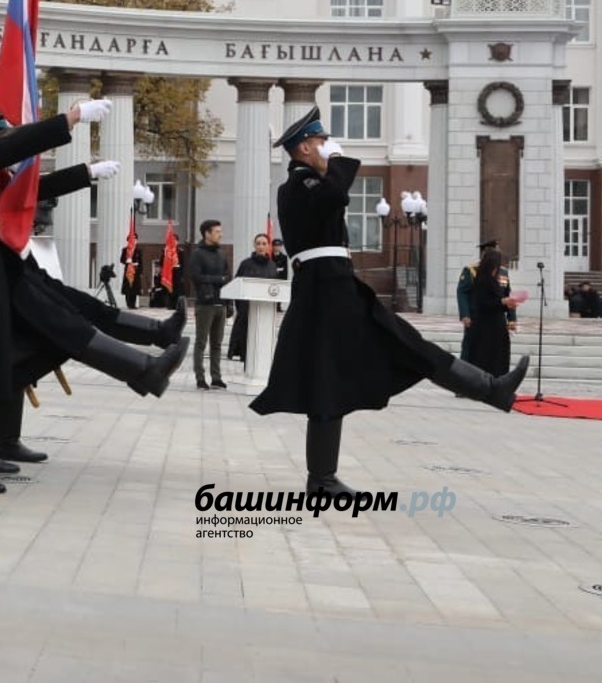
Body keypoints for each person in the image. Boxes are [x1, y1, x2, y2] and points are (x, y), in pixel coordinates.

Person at [0, 69, 185, 494]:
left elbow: (24, 188)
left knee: (1, 351)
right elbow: (7, 148)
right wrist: (72, 117)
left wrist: (85, 172)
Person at [250, 106, 530, 498]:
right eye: (319, 141)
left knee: (399, 351)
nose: (326, 146)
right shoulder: (298, 185)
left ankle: (490, 388)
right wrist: (340, 163)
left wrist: (333, 164)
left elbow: (333, 203)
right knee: (337, 376)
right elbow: (331, 198)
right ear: (302, 149)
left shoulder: (312, 182)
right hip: (325, 295)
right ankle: (322, 479)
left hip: (337, 290)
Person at [0, 111, 188, 474]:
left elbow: (38, 189)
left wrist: (86, 174)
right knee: (60, 330)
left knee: (82, 309)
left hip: (14, 266)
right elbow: (28, 193)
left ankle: (157, 336)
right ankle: (144, 369)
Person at [188, 219, 231, 389]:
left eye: (220, 231)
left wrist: (229, 303)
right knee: (201, 342)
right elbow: (196, 277)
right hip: (205, 304)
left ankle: (216, 377)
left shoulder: (222, 254)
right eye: (217, 231)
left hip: (221, 303)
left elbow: (228, 278)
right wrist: (217, 280)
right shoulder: (197, 254)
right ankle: (200, 377)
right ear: (207, 233)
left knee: (217, 344)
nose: (220, 234)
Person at [457, 239, 516, 359]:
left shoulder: (503, 272)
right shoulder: (471, 270)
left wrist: (512, 319)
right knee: (471, 349)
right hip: (476, 317)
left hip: (496, 320)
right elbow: (462, 292)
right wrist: (465, 314)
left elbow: (507, 295)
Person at [228, 233, 278, 362]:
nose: (261, 246)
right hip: (247, 308)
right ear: (254, 246)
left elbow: (275, 287)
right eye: (258, 243)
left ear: (268, 246)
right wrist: (240, 306)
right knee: (246, 335)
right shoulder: (246, 264)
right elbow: (237, 284)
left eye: (264, 244)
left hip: (265, 309)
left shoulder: (272, 265)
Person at [468, 249, 517, 377]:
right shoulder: (482, 280)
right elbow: (483, 304)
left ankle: (498, 382)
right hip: (486, 326)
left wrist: (507, 306)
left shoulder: (494, 280)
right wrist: (502, 302)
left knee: (500, 355)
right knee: (486, 356)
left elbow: (500, 301)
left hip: (498, 324)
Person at [119, 243, 142, 309]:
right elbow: (122, 260)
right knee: (128, 288)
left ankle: (133, 304)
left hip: (135, 272)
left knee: (134, 288)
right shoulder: (125, 249)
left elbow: (140, 262)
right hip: (128, 272)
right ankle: (129, 304)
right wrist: (127, 261)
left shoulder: (138, 250)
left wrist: (140, 271)